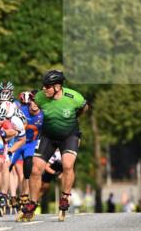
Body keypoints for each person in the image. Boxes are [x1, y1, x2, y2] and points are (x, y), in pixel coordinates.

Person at [19, 70, 89, 222]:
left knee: (67, 165)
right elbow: (32, 109)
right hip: (48, 136)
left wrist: (75, 118)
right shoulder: (40, 97)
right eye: (43, 86)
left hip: (69, 135)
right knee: (36, 168)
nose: (44, 89)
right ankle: (32, 202)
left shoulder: (74, 97)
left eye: (47, 87)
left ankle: (65, 197)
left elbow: (85, 107)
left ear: (57, 87)